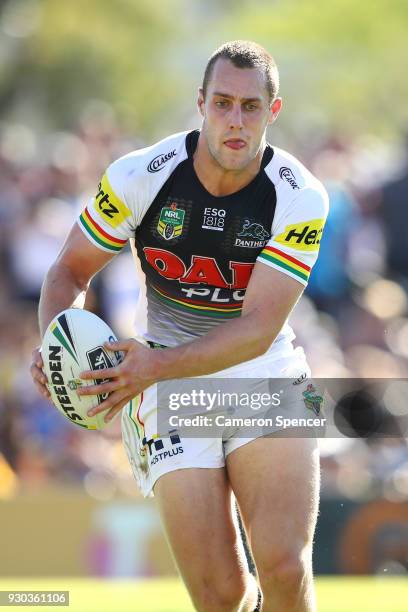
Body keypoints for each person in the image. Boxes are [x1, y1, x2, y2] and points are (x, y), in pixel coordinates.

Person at [31, 41, 328, 612]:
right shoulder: (139, 175)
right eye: (222, 103)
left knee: (287, 569)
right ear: (200, 103)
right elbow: (67, 270)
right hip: (168, 384)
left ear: (274, 110)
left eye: (249, 106)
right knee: (221, 597)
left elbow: (260, 329)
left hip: (264, 374)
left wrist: (149, 366)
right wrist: (56, 343)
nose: (235, 121)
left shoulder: (300, 195)